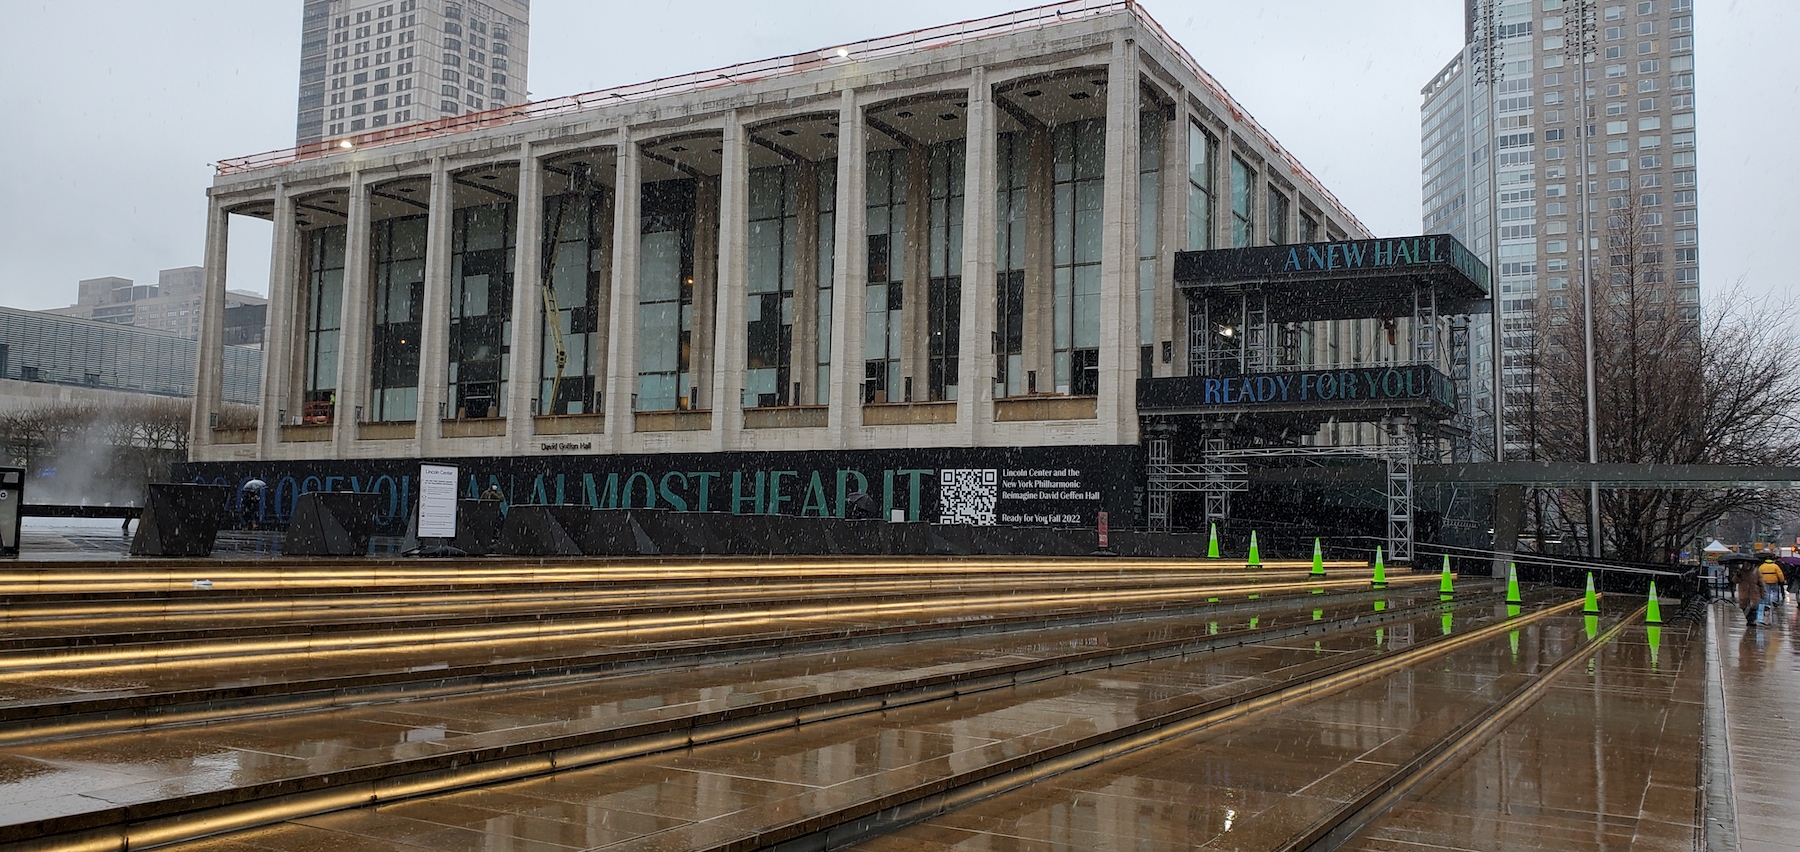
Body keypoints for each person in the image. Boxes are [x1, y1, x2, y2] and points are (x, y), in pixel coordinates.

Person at [1735, 561, 1766, 627]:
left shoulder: (1756, 572)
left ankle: (1752, 621)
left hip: (1754, 593)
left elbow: (1761, 583)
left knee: (1753, 608)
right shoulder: (1740, 572)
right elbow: (1735, 581)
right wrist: (1737, 575)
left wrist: (1763, 594)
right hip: (1744, 593)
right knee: (1744, 607)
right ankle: (1749, 620)